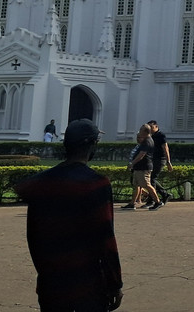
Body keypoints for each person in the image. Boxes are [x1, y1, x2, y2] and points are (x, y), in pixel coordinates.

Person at [14, 118, 123, 311]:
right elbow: (105, 238)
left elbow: (34, 237)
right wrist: (115, 283)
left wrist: (46, 273)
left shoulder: (43, 183)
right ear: (93, 145)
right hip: (88, 283)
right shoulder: (97, 184)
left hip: (51, 282)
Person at [127, 125, 160, 210]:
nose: (139, 131)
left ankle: (158, 202)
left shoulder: (147, 141)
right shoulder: (145, 140)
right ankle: (132, 203)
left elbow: (141, 155)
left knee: (147, 185)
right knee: (136, 185)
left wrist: (132, 163)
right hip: (139, 167)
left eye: (141, 130)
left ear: (145, 132)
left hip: (144, 167)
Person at [147, 120, 173, 206]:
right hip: (153, 159)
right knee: (150, 179)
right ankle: (164, 194)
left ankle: (152, 200)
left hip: (160, 159)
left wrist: (168, 162)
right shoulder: (150, 136)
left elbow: (166, 148)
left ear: (156, 127)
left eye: (151, 127)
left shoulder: (161, 135)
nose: (150, 129)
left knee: (152, 178)